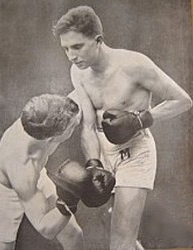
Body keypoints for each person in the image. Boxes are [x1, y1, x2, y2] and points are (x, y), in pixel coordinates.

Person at [53, 6, 192, 250]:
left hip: (134, 153)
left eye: (77, 47)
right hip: (102, 153)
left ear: (98, 40)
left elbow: (183, 100)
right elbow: (87, 125)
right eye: (66, 48)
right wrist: (93, 164)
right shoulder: (78, 72)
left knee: (120, 243)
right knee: (114, 227)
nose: (71, 55)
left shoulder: (134, 65)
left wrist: (141, 120)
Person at [0, 93, 115, 250]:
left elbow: (82, 94)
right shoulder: (23, 164)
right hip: (8, 190)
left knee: (73, 235)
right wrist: (68, 201)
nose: (77, 122)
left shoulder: (47, 113)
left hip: (37, 176)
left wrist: (94, 164)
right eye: (72, 127)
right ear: (52, 138)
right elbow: (45, 228)